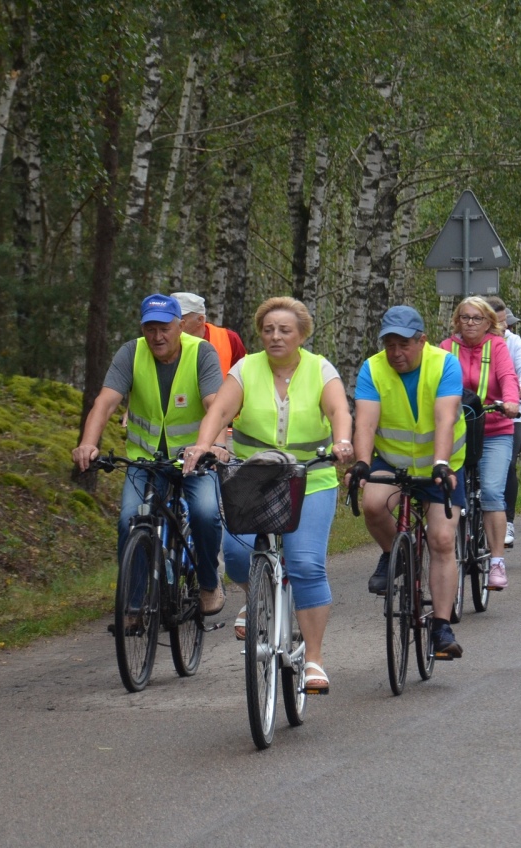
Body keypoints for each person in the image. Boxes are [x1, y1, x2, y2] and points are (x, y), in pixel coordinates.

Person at [181, 297, 354, 694]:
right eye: (269, 330)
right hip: (253, 476)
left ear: (302, 335)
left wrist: (343, 441)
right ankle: (257, 592)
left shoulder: (319, 368)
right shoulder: (246, 368)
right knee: (239, 556)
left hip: (311, 477)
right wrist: (202, 445)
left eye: (285, 330)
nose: (275, 337)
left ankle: (313, 660)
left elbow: (339, 411)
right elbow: (219, 412)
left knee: (307, 564)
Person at [72, 293, 227, 617]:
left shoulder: (201, 352)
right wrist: (88, 442)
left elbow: (216, 404)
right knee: (130, 519)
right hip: (145, 458)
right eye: (150, 329)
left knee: (204, 513)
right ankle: (134, 602)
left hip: (194, 457)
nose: (157, 336)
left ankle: (209, 584)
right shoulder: (131, 352)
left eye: (164, 328)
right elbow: (105, 403)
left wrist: (214, 444)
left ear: (180, 325)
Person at [347, 305, 467, 658]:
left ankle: (442, 628)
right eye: (390, 345)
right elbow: (366, 423)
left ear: (422, 340)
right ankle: (393, 554)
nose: (396, 354)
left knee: (442, 539)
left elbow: (446, 418)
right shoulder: (372, 367)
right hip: (393, 459)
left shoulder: (444, 363)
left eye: (404, 345)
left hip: (440, 464)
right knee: (372, 504)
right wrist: (362, 463)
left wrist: (442, 463)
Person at [440, 296, 520, 590]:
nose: (470, 323)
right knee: (444, 489)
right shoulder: (446, 348)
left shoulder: (496, 347)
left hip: (494, 428)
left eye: (477, 318)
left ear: (489, 323)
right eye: (465, 317)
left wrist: (510, 402)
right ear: (457, 321)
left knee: (490, 493)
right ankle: (442, 549)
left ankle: (497, 561)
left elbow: (508, 377)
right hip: (455, 432)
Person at [486, 295, 521, 548]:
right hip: (477, 414)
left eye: (506, 322)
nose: (505, 327)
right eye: (500, 322)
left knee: (508, 465)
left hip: (508, 414)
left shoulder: (513, 342)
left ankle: (509, 521)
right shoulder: (465, 344)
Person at [170, 291, 247, 376]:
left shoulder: (229, 339)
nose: (174, 323)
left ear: (200, 319)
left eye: (180, 318)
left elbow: (244, 376)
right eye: (171, 318)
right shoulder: (162, 341)